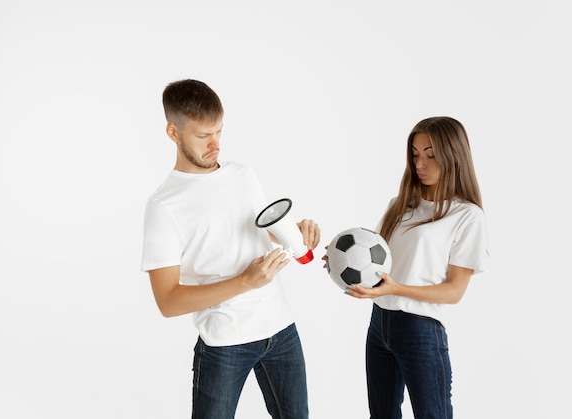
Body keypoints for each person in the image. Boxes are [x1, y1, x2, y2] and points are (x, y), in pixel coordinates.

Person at [141, 79, 320, 419]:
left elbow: (257, 232)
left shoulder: (243, 175)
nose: (215, 144)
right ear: (173, 133)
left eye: (219, 132)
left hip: (281, 331)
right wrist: (244, 283)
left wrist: (295, 233)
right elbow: (167, 301)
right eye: (203, 135)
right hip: (225, 342)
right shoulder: (163, 206)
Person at [339, 116, 489, 419]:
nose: (420, 163)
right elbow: (374, 259)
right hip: (380, 324)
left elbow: (454, 291)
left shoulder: (466, 216)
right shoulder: (400, 204)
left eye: (431, 155)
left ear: (453, 156)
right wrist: (340, 261)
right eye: (416, 154)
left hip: (420, 329)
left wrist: (398, 289)